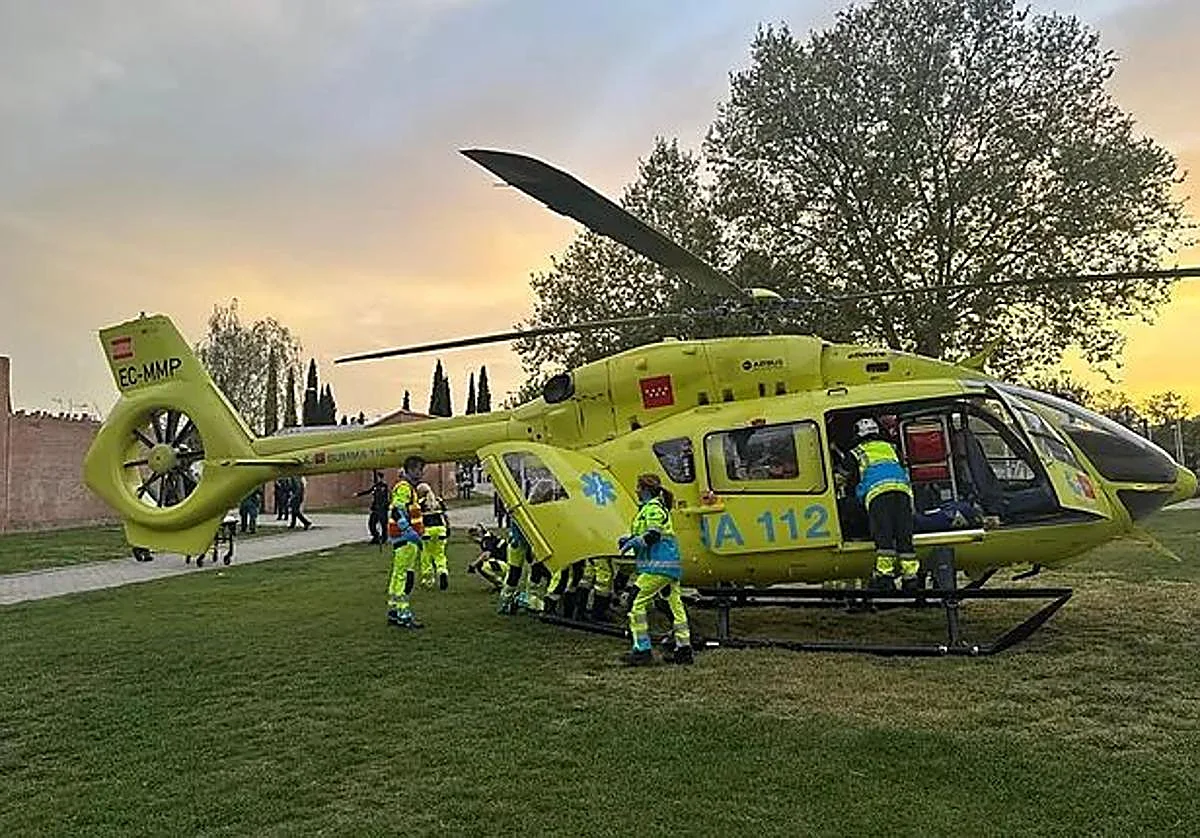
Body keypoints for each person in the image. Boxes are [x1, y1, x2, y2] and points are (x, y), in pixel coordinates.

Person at [618, 473, 692, 666]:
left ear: (644, 489)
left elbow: (653, 535)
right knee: (676, 607)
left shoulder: (652, 509)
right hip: (666, 567)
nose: (635, 490)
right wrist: (631, 538)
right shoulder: (653, 509)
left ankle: (642, 650)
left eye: (637, 487)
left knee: (635, 601)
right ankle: (684, 649)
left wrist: (634, 542)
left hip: (657, 567)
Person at [847, 416, 917, 592]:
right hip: (902, 492)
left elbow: (852, 481)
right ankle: (911, 579)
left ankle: (885, 578)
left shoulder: (856, 452)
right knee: (904, 536)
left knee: (883, 536)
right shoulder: (891, 447)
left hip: (878, 495)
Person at [386, 456, 427, 628]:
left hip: (400, 538)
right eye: (418, 469)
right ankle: (404, 613)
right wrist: (407, 530)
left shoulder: (407, 488)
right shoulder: (405, 488)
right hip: (406, 539)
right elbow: (396, 509)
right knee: (405, 575)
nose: (420, 472)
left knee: (398, 574)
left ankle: (394, 611)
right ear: (409, 470)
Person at [417, 481, 450, 590]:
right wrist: (447, 529)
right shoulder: (438, 501)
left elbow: (418, 519)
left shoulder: (421, 503)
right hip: (441, 530)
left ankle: (428, 579)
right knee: (440, 554)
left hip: (428, 531)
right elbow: (445, 516)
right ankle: (442, 571)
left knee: (426, 555)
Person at [354, 470, 391, 544]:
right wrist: (358, 494)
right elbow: (368, 491)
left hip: (382, 508)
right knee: (372, 524)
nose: (379, 480)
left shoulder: (384, 487)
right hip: (375, 508)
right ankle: (376, 536)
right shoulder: (375, 486)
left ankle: (384, 539)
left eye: (380, 478)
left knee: (383, 524)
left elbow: (387, 497)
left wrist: (386, 505)